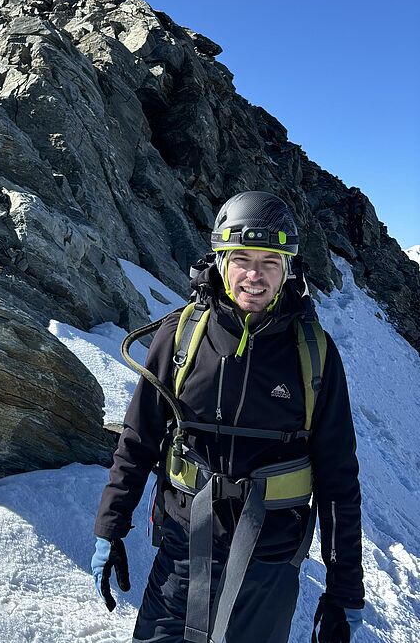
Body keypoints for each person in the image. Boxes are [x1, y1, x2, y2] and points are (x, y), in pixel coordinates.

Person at [92, 191, 364, 643]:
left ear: (288, 269)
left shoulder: (314, 353)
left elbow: (338, 478)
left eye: (270, 262)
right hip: (183, 548)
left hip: (269, 563)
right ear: (220, 262)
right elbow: (138, 440)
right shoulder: (180, 336)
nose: (255, 276)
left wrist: (344, 590)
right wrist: (110, 526)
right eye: (242, 259)